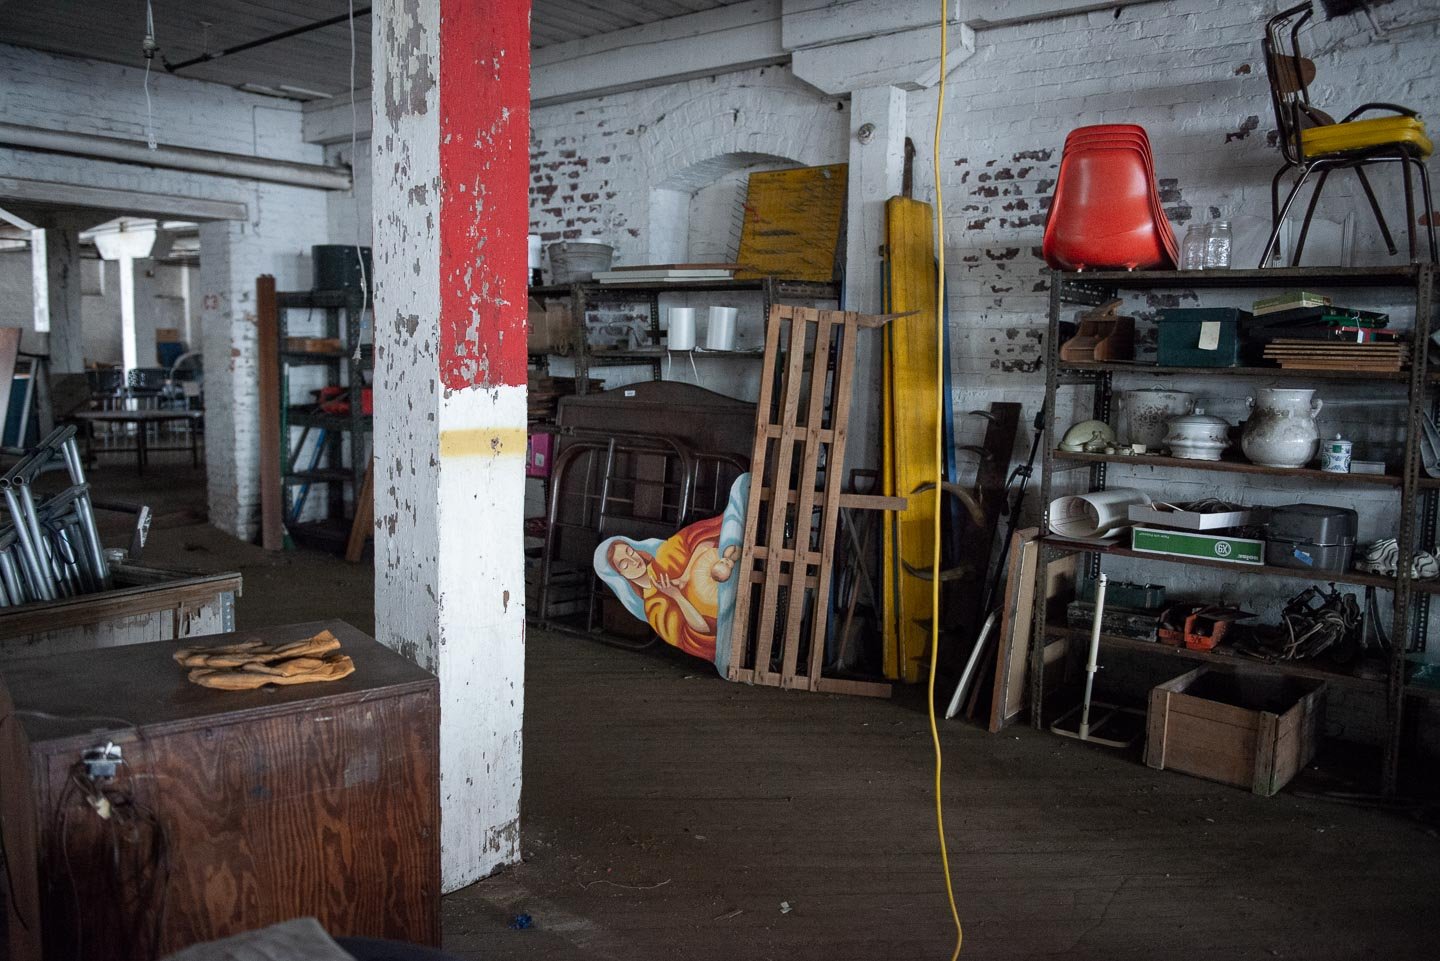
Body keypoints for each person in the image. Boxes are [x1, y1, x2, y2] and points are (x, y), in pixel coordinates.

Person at [605, 515, 739, 660]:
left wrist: (685, 575)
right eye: (624, 564)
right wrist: (677, 596)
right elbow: (702, 631)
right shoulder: (654, 608)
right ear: (621, 575)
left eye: (630, 552)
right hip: (732, 612)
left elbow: (702, 542)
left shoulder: (665, 553)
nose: (633, 560)